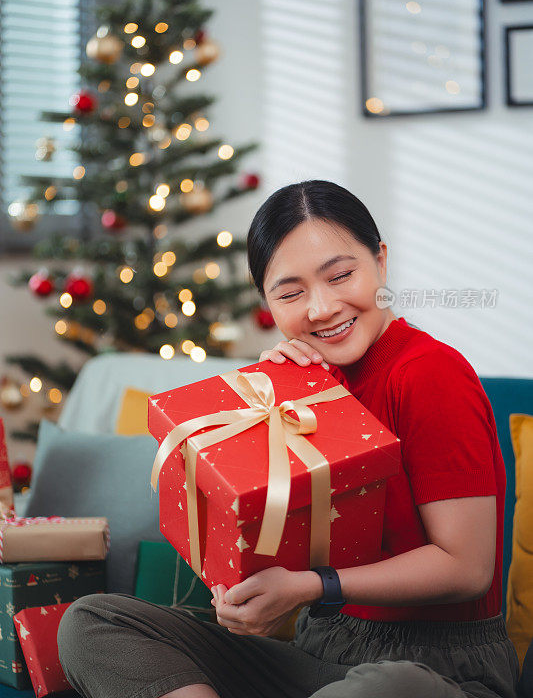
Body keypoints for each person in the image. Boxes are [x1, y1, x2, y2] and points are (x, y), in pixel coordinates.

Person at [57, 179, 519, 698]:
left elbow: (467, 568)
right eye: (291, 292)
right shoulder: (295, 384)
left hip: (435, 669)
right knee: (92, 622)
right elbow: (266, 541)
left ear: (381, 263)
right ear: (266, 303)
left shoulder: (430, 373)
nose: (321, 309)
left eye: (341, 275)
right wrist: (273, 404)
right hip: (315, 655)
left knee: (383, 689)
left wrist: (312, 586)